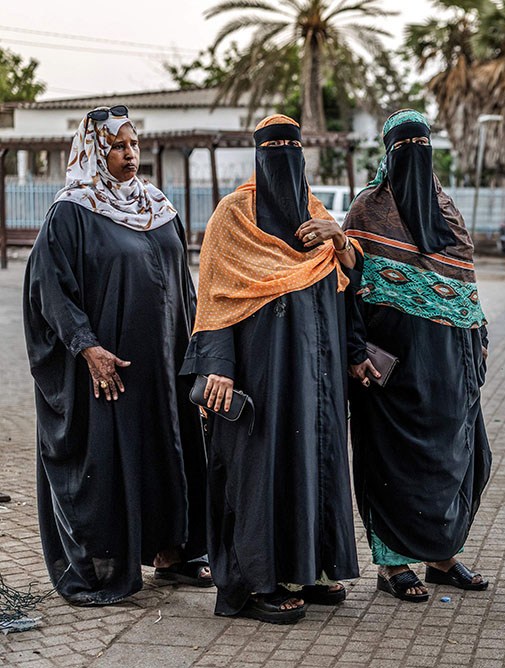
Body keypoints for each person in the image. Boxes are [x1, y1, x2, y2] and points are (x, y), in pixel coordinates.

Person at [23, 106, 210, 605]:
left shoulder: (156, 205)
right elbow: (50, 289)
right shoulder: (72, 210)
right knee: (115, 462)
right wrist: (87, 348)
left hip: (165, 365)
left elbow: (181, 282)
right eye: (119, 146)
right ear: (95, 151)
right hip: (113, 370)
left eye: (134, 145)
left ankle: (174, 554)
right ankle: (106, 566)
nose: (131, 155)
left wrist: (197, 344)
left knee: (170, 452)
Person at [180, 114, 360, 624]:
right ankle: (254, 585)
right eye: (272, 147)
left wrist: (341, 239)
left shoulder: (318, 215)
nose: (283, 155)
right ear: (259, 156)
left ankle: (306, 569)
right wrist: (218, 365)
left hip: (315, 375)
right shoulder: (233, 214)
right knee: (258, 473)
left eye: (291, 147)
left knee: (311, 465)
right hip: (258, 375)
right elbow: (213, 296)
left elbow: (350, 282)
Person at [343, 109, 491, 603]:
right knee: (391, 462)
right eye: (405, 148)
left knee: (457, 457)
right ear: (388, 155)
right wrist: (354, 349)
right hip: (388, 366)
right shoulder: (366, 209)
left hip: (450, 360)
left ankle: (443, 558)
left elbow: (466, 285)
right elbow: (346, 287)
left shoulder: (446, 209)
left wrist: (481, 337)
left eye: (422, 147)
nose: (415, 158)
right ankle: (392, 566)